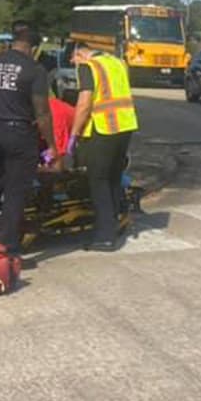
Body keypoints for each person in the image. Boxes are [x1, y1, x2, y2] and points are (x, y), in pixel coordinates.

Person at [0, 21, 56, 253]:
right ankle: (6, 247)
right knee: (15, 193)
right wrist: (51, 145)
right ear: (33, 47)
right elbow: (43, 113)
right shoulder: (34, 70)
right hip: (20, 133)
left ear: (11, 42)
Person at [68, 42, 138, 251]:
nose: (73, 64)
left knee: (98, 180)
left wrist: (74, 135)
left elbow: (84, 102)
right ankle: (113, 225)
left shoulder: (89, 66)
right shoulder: (118, 63)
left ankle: (105, 236)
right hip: (125, 126)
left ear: (80, 53)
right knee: (113, 178)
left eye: (73, 59)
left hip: (104, 127)